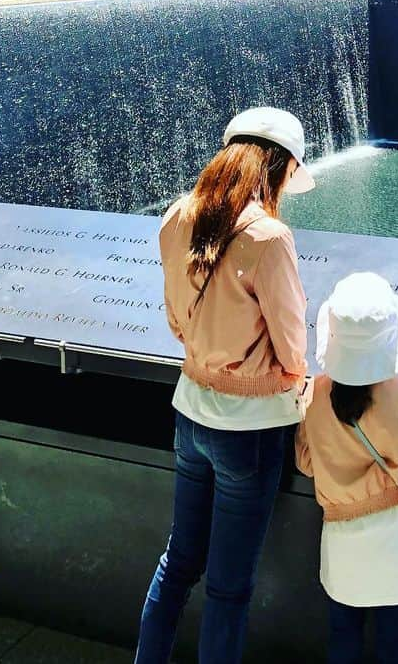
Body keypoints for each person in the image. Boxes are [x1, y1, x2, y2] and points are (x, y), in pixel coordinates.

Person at [134, 107, 313, 664]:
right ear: (278, 167)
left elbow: (175, 318)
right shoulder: (268, 236)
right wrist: (290, 377)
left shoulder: (176, 216)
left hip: (190, 413)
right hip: (249, 433)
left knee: (179, 560)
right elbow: (290, 339)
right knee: (228, 588)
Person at [296, 272, 398, 664]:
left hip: (341, 541)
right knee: (394, 644)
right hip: (397, 542)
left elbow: (306, 463)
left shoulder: (314, 394)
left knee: (342, 637)